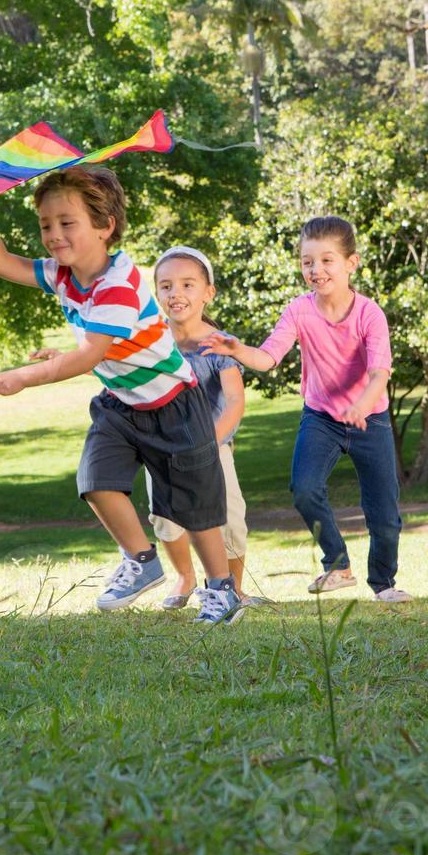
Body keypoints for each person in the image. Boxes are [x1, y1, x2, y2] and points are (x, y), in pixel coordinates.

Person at [0, 166, 242, 624]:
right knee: (95, 480)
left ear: (105, 225)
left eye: (66, 223)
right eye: (46, 225)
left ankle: (220, 589)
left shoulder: (118, 284)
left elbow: (89, 354)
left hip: (174, 405)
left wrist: (23, 377)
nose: (53, 235)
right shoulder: (64, 274)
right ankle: (141, 559)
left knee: (196, 507)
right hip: (121, 404)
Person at [202, 216, 411, 602]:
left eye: (327, 260)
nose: (316, 270)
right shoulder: (299, 310)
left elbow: (380, 371)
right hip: (321, 418)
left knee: (383, 514)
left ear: (352, 263)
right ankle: (337, 564)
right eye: (307, 262)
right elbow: (268, 357)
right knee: (304, 489)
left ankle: (384, 585)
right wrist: (236, 349)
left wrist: (362, 405)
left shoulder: (369, 314)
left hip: (371, 418)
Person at [138, 246, 261, 613]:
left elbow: (235, 401)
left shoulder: (218, 343)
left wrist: (208, 443)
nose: (176, 293)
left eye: (188, 284)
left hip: (213, 446)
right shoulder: (154, 342)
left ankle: (232, 588)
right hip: (163, 447)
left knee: (231, 520)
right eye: (167, 286)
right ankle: (186, 578)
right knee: (166, 519)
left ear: (208, 293)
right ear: (157, 294)